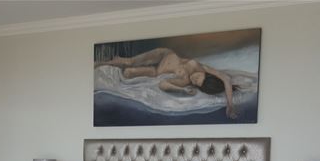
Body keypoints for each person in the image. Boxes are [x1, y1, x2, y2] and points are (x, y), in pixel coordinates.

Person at [96, 47, 238, 118]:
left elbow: (163, 84)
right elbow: (226, 78)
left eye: (195, 82)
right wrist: (230, 105)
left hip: (156, 71)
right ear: (206, 75)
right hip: (165, 55)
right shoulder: (202, 67)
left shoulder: (184, 82)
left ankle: (113, 63)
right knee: (130, 61)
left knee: (128, 73)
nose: (194, 78)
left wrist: (182, 90)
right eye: (197, 77)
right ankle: (101, 63)